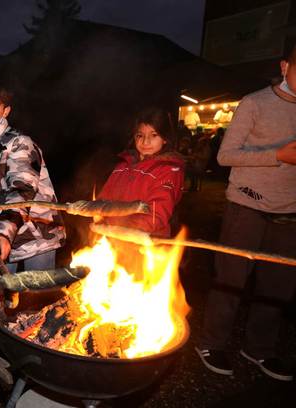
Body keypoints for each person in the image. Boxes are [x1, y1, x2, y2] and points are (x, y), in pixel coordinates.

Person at [195, 41, 296, 382]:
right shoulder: (255, 103)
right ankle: (211, 343)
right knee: (231, 280)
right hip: (247, 206)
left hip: (290, 214)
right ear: (285, 67)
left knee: (278, 286)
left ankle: (260, 348)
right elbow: (225, 156)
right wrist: (277, 155)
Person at [0, 77, 65, 287]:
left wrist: (3, 230)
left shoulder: (19, 143)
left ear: (5, 111)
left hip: (37, 236)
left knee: (38, 300)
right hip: (1, 237)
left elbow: (23, 188)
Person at [97, 107, 185, 238]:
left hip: (147, 244)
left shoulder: (169, 170)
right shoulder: (122, 166)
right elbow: (103, 200)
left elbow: (156, 215)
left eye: (154, 135)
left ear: (165, 138)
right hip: (115, 239)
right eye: (140, 135)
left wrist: (122, 226)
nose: (145, 141)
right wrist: (97, 215)